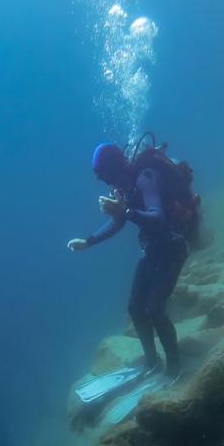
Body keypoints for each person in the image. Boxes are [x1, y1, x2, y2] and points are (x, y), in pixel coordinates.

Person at [68, 141, 190, 379]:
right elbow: (118, 222)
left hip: (173, 247)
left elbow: (157, 217)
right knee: (135, 309)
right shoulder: (122, 187)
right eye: (101, 177)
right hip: (153, 249)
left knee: (154, 310)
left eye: (105, 175)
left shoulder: (145, 177)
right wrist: (89, 241)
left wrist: (125, 210)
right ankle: (152, 363)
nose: (105, 182)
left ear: (114, 167)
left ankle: (175, 368)